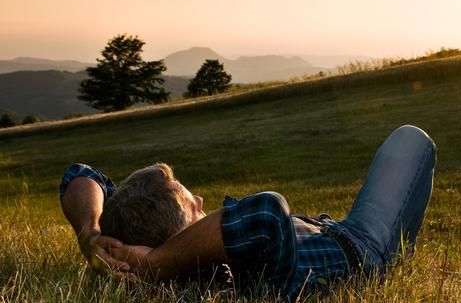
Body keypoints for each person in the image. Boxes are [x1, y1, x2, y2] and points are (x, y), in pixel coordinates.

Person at [60, 125, 436, 300]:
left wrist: (89, 233)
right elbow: (268, 212)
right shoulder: (232, 269)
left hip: (322, 227)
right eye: (195, 206)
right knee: (411, 139)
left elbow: (80, 174)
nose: (204, 203)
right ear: (183, 235)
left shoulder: (127, 232)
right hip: (363, 246)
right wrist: (158, 263)